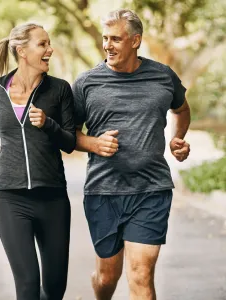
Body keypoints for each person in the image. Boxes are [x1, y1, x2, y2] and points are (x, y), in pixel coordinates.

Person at [72, 9, 191, 300]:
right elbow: (69, 134)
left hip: (151, 189)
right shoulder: (87, 83)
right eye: (104, 38)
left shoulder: (163, 76)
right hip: (104, 191)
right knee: (107, 277)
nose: (107, 45)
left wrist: (178, 138)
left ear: (135, 40)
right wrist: (94, 144)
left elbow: (182, 109)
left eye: (116, 39)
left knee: (140, 274)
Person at [0, 22, 76, 300]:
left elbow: (71, 142)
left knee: (54, 289)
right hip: (11, 199)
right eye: (43, 44)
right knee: (27, 286)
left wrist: (48, 124)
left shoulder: (59, 90)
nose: (50, 50)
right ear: (22, 51)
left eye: (49, 44)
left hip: (53, 199)